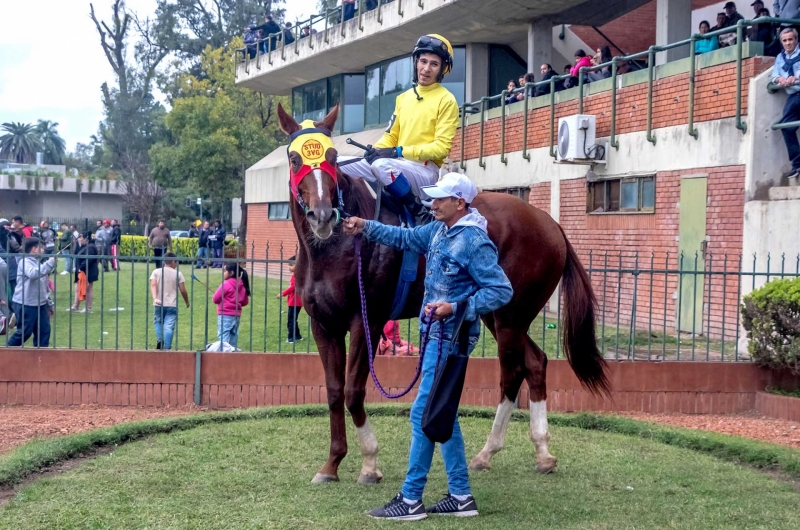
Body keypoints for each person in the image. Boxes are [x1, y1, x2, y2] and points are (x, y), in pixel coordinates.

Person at [344, 172, 513, 521]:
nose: (432, 204)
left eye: (439, 199)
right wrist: (365, 226)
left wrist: (457, 307)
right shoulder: (438, 231)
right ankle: (461, 495)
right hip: (435, 337)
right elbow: (403, 236)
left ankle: (410, 499)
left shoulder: (473, 241)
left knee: (424, 413)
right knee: (442, 413)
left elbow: (501, 290)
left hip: (451, 340)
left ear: (460, 203)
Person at [340, 34, 459, 221]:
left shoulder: (447, 100)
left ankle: (418, 212)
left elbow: (441, 149)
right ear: (416, 62)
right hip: (395, 165)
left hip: (425, 173)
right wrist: (376, 150)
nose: (426, 69)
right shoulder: (403, 98)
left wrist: (398, 152)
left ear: (443, 69)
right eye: (423, 61)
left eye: (434, 64)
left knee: (382, 165)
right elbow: (391, 136)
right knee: (336, 164)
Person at [6, 238, 56, 347]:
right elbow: (33, 274)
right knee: (24, 333)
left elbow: (43, 285)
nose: (43, 250)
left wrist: (48, 302)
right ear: (34, 249)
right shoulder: (25, 262)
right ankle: (5, 352)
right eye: (41, 248)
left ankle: (41, 358)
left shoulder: (37, 262)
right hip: (26, 304)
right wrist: (49, 263)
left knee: (44, 332)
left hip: (41, 304)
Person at [772, 28, 800, 180]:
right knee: (786, 127)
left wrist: (794, 78)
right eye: (785, 40)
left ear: (796, 40)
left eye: (791, 39)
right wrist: (780, 80)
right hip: (793, 96)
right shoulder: (780, 57)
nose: (788, 43)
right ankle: (797, 164)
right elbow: (774, 74)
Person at [149, 252, 189, 350]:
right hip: (172, 304)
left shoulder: (156, 272)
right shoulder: (178, 274)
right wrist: (187, 301)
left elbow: (153, 285)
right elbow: (183, 290)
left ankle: (160, 339)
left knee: (158, 322)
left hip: (158, 303)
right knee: (169, 326)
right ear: (173, 262)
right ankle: (167, 348)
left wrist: (155, 298)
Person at [213, 262, 250, 348]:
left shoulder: (226, 284)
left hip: (225, 315)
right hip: (236, 316)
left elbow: (215, 299)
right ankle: (232, 357)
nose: (223, 273)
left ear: (231, 273)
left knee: (223, 339)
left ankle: (224, 358)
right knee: (233, 339)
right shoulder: (241, 285)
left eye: (225, 271)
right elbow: (245, 301)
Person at [69, 232, 98, 313]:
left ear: (86, 239)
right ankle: (75, 306)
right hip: (81, 271)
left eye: (81, 237)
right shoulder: (84, 246)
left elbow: (88, 259)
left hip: (87, 271)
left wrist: (81, 267)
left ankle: (88, 308)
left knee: (88, 289)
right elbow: (76, 253)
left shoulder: (91, 247)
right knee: (78, 288)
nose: (79, 239)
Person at [277, 256, 303, 343]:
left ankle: (291, 337)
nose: (289, 267)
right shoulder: (297, 275)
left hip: (295, 302)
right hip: (295, 301)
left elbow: (293, 287)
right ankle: (298, 336)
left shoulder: (296, 276)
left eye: (291, 265)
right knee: (293, 319)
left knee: (291, 320)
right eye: (289, 265)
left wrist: (283, 294)